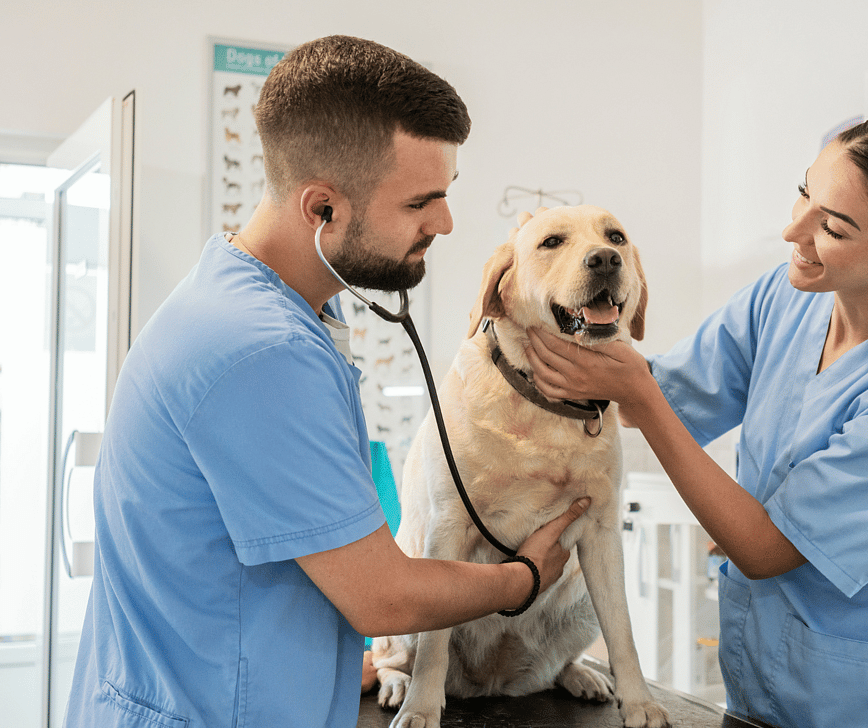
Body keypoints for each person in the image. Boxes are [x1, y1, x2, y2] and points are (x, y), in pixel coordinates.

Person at [66, 35, 590, 728]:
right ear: (322, 210)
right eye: (419, 204)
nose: (446, 222)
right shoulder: (259, 352)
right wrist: (522, 580)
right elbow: (384, 598)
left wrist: (332, 656)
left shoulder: (272, 302)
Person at [526, 109, 868, 728]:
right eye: (805, 192)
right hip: (756, 694)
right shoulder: (783, 299)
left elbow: (765, 548)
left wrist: (639, 396)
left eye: (831, 227)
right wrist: (538, 318)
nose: (793, 231)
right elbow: (650, 396)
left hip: (861, 711)